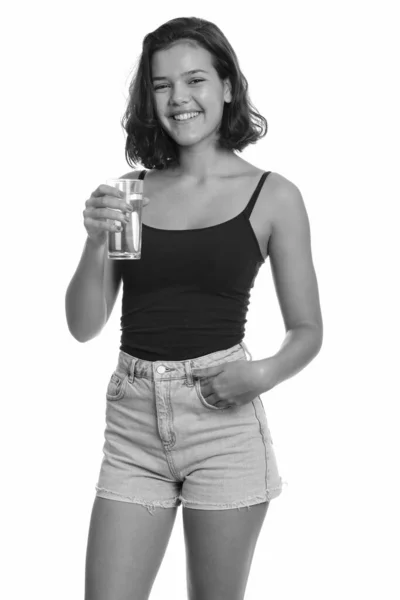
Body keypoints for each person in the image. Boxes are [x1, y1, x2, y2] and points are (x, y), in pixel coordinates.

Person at [65, 16, 323, 600]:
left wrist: (261, 374)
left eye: (195, 79)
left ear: (228, 87)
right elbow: (84, 326)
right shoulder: (129, 194)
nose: (179, 98)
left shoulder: (274, 196)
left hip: (224, 424)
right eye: (161, 85)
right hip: (132, 425)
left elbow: (308, 330)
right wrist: (93, 238)